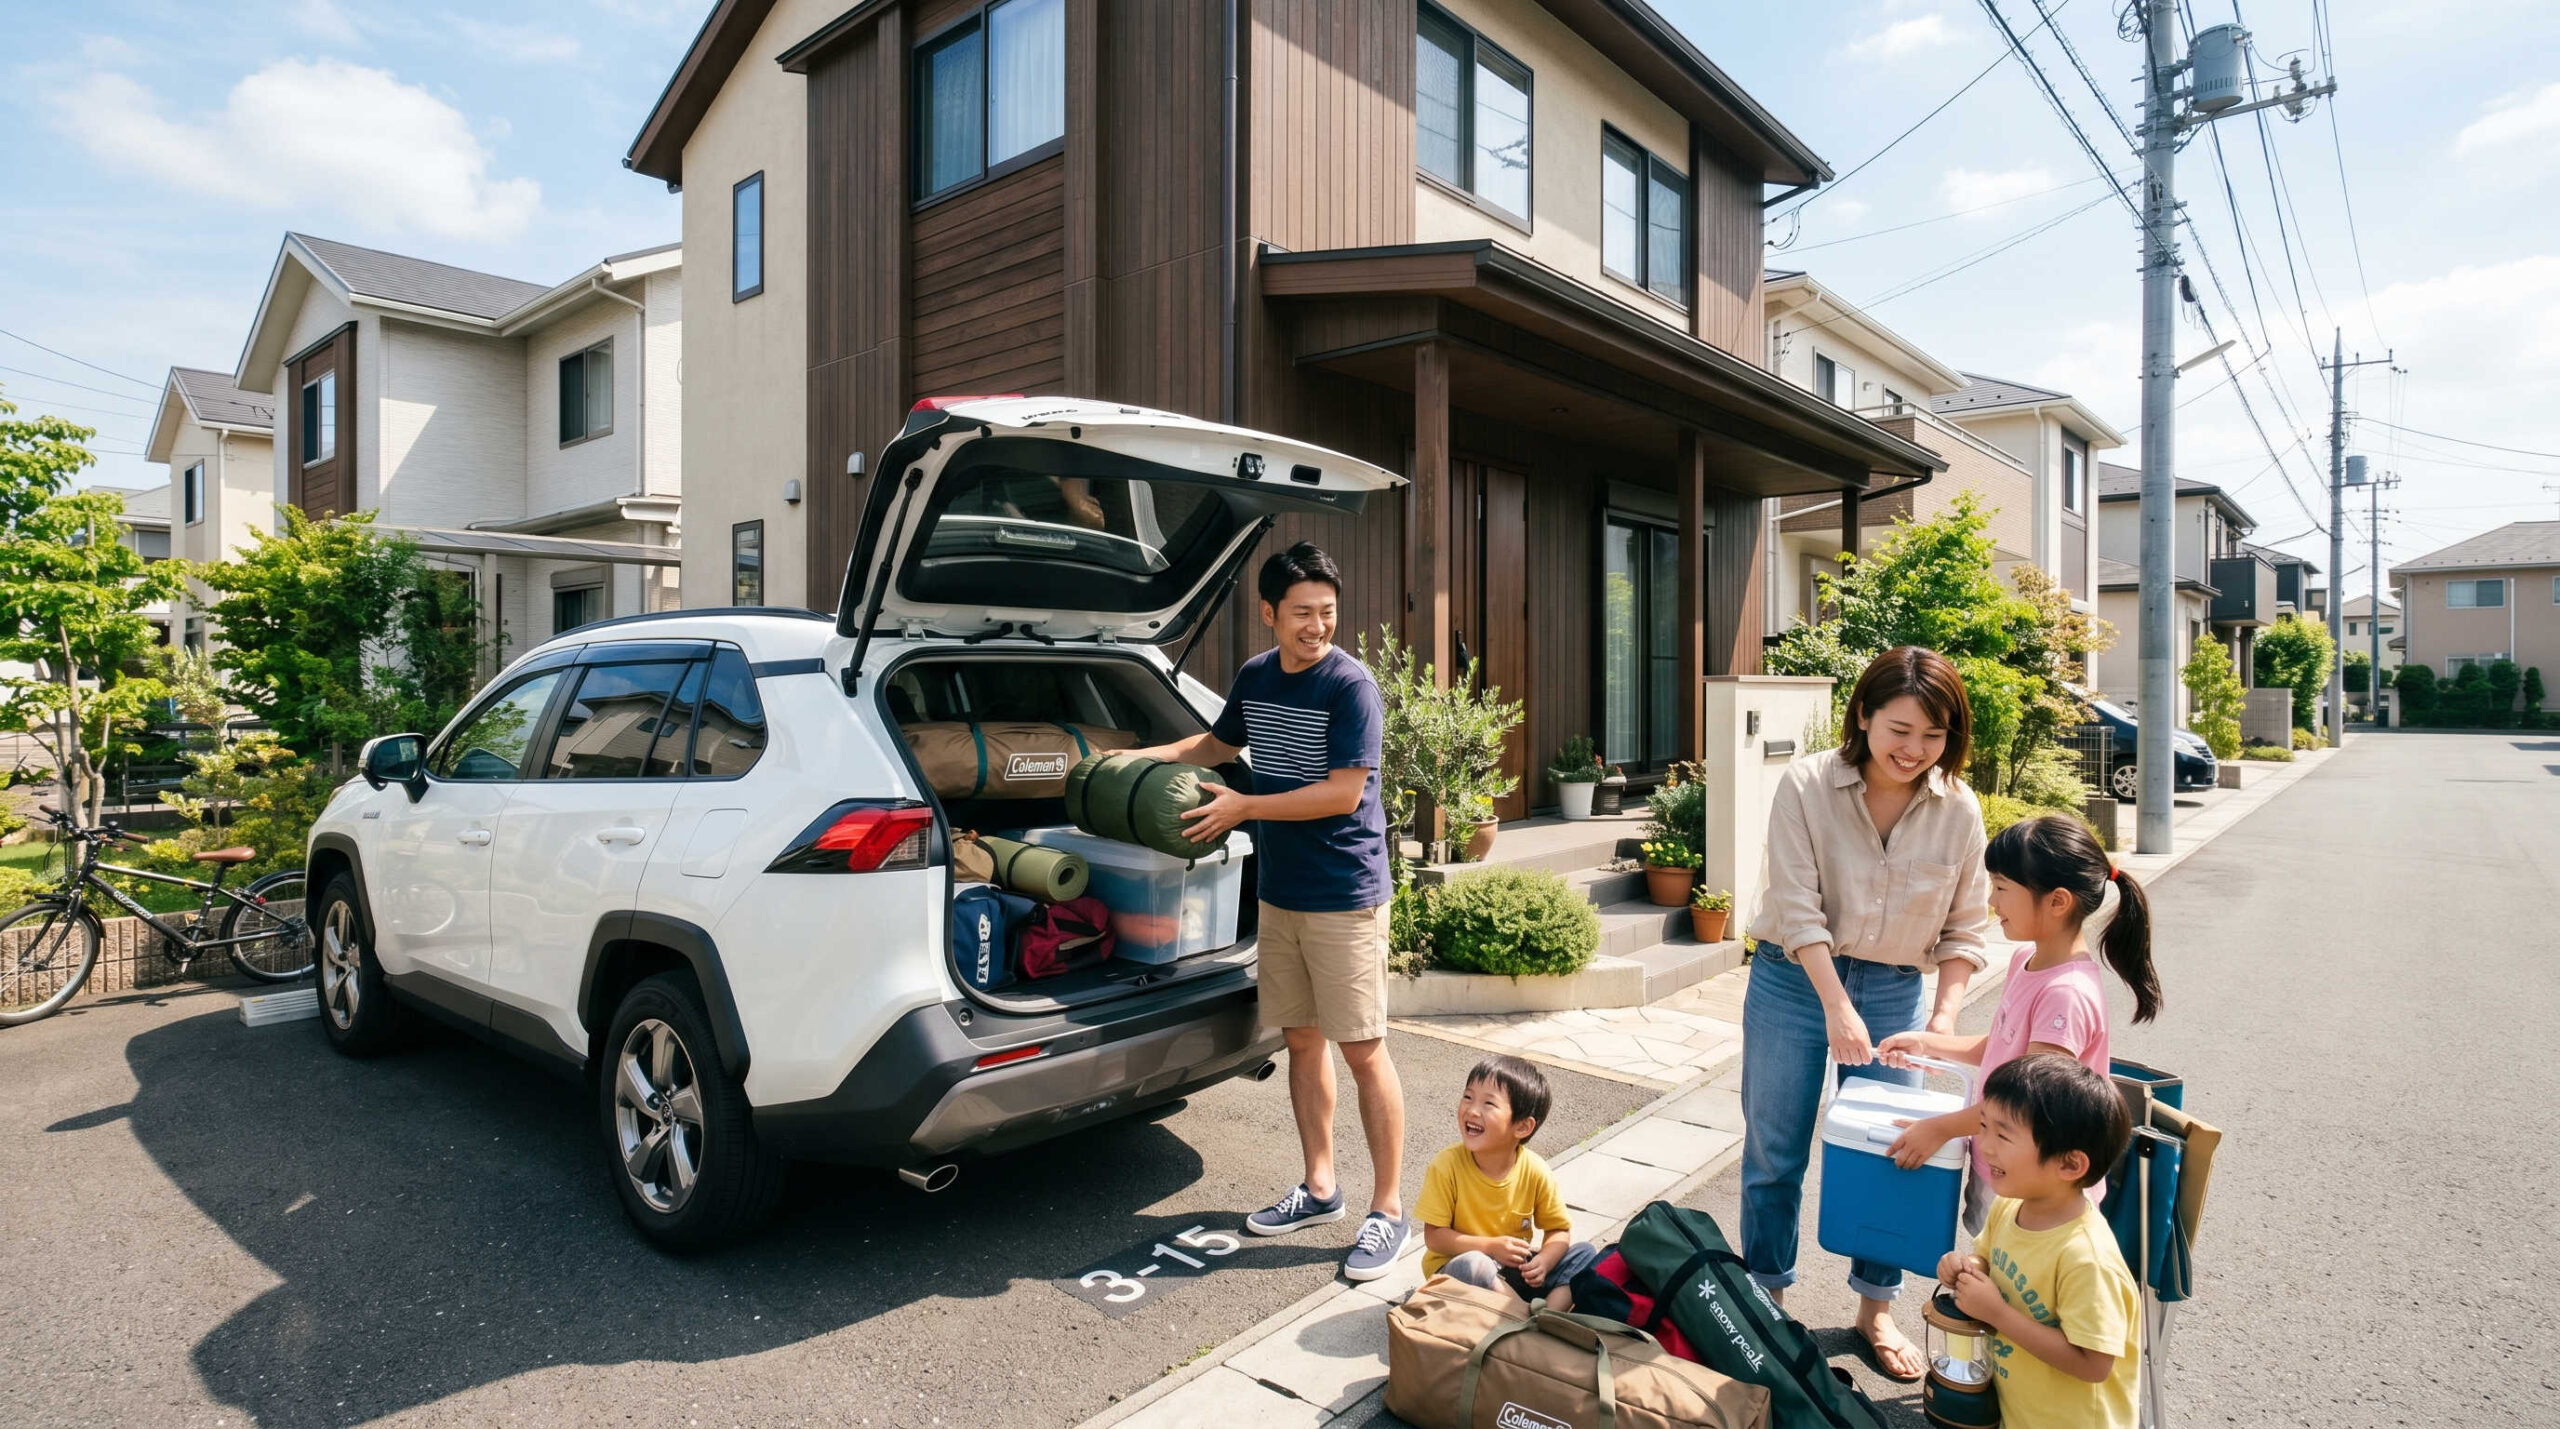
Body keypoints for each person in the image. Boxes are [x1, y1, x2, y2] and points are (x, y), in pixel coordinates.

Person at [1123, 541, 1407, 1281]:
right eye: (1303, 613)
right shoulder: (1256, 676)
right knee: (1303, 1043)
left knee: (1363, 1048)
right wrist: (1139, 759)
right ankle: (1320, 1186)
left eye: (1328, 612)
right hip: (1281, 893)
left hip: (1346, 895)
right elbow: (1219, 743)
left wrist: (1248, 805)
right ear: (1270, 613)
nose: (1318, 626)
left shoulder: (1352, 687)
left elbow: (1344, 792)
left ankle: (1388, 1209)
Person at [1741, 645, 1991, 1381]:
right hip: (1793, 977)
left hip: (1893, 992)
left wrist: (1943, 1020)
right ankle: (1766, 1298)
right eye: (1901, 729)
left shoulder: (1961, 809)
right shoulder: (1808, 782)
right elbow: (1796, 906)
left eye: (1935, 735)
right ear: (1864, 715)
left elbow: (1966, 929)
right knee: (1774, 1150)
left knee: (1897, 1155)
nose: (1916, 750)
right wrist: (1836, 1005)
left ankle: (1874, 1308)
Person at [1880, 812, 2162, 1231]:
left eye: (2001, 888)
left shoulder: (2064, 994)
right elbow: (2002, 1047)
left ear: (2057, 901)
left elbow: (2029, 1108)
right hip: (2006, 1168)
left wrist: (1938, 1129)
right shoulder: (2026, 961)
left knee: (2015, 1293)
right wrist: (1928, 1043)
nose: (1993, 903)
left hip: (2041, 1200)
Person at [1937, 1053, 2141, 1429]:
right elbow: (1986, 1258)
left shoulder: (2087, 1258)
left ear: (2069, 1165)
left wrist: (1996, 1314)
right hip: (2020, 1412)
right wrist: (1967, 1269)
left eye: (2003, 1134)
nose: (1985, 1145)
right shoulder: (2009, 1207)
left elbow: (2094, 1363)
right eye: (1983, 1127)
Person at [1416, 1056, 1601, 1308]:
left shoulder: (1535, 1169)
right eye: (1468, 1097)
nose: (1472, 1110)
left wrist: (1544, 1261)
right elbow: (1435, 1237)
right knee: (1476, 1264)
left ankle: (1550, 1316)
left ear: (1523, 1127)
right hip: (1458, 1271)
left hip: (1513, 1272)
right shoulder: (1446, 1165)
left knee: (1584, 1254)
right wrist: (1490, 1246)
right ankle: (1525, 1318)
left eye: (1488, 1103)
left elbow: (1558, 1230)